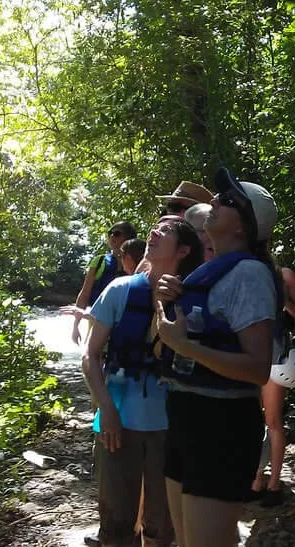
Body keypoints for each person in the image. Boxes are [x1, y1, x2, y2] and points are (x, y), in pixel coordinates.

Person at [153, 167, 279, 547]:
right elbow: (167, 342)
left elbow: (258, 369)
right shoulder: (208, 273)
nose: (215, 202)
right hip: (186, 414)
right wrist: (163, 304)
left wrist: (185, 345)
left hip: (221, 425)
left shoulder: (250, 275)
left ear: (242, 228)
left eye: (226, 201)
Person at [82, 216, 204, 547]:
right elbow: (90, 356)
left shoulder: (193, 300)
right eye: (155, 226)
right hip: (117, 423)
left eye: (165, 231)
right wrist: (106, 410)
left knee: (162, 527)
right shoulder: (120, 290)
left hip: (170, 427)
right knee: (117, 525)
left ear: (183, 250)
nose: (153, 232)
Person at [251, 263, 295, 506]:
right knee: (251, 417)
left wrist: (285, 300)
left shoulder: (284, 275)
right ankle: (256, 477)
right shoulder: (243, 271)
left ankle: (274, 484)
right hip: (248, 353)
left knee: (272, 419)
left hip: (276, 355)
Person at [72, 221, 137, 345]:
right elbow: (85, 293)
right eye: (110, 233)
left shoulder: (140, 262)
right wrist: (76, 326)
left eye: (117, 234)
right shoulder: (100, 261)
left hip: (126, 320)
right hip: (97, 320)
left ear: (129, 237)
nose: (112, 236)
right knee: (92, 358)